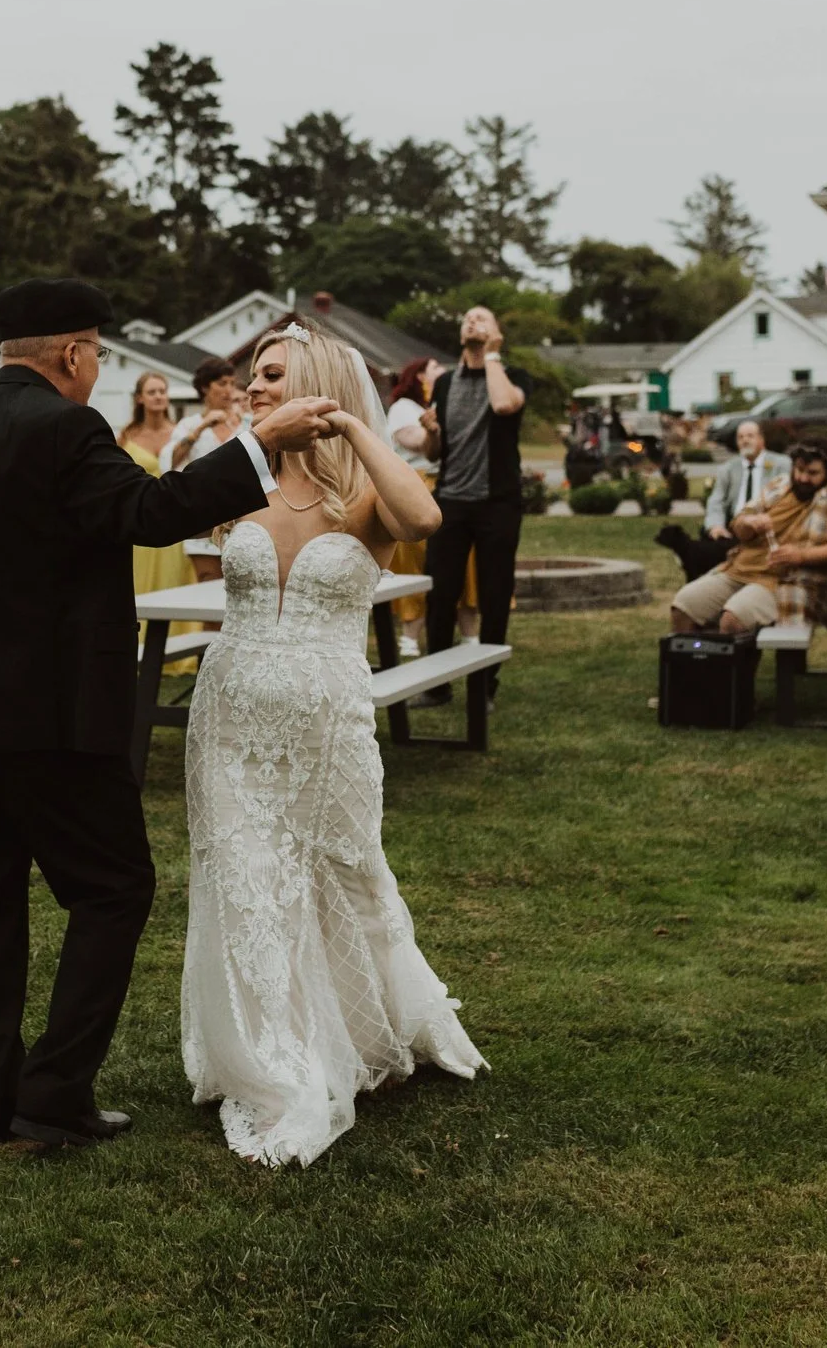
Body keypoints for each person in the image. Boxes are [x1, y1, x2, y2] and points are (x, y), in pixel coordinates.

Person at [0, 278, 340, 1150]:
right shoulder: (68, 428)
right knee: (114, 888)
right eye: (100, 354)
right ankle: (51, 1092)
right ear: (74, 354)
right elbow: (151, 513)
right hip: (49, 720)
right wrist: (257, 443)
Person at [181, 320, 482, 1166]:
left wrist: (352, 426)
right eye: (251, 375)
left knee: (347, 868)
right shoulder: (240, 479)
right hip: (231, 712)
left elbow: (423, 515)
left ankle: (365, 1025)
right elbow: (170, 511)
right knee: (245, 877)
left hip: (328, 723)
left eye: (272, 375)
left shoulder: (364, 493)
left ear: (315, 381)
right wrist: (249, 441)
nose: (254, 388)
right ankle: (269, 1051)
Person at [419, 306, 530, 703]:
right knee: (441, 592)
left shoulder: (513, 377)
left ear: (497, 334)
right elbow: (435, 453)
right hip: (450, 501)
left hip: (497, 503)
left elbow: (503, 406)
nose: (471, 322)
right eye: (467, 318)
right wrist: (431, 433)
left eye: (482, 319)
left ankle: (485, 684)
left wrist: (493, 355)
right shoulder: (446, 383)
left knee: (494, 593)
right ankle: (436, 685)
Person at [669, 439, 827, 633]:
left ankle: (735, 668)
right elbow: (739, 524)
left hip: (787, 581)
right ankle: (691, 666)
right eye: (799, 469)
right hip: (739, 569)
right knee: (684, 605)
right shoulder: (780, 485)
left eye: (812, 473)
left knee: (733, 619)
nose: (802, 478)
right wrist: (748, 523)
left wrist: (802, 555)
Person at [116, 371, 198, 608]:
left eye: (162, 391)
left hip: (175, 516)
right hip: (140, 518)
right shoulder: (125, 437)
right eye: (152, 392)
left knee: (175, 581)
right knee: (139, 583)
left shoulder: (180, 434)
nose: (159, 396)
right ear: (140, 398)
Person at [169, 356, 246, 581]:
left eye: (232, 384)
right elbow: (170, 461)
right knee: (207, 586)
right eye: (222, 384)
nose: (229, 390)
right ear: (205, 387)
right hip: (203, 517)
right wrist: (202, 427)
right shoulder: (189, 425)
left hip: (243, 519)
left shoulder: (246, 424)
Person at [383, 357, 440, 653]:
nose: (443, 371)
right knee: (413, 562)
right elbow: (416, 442)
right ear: (419, 376)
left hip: (440, 486)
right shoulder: (404, 408)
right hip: (413, 485)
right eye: (436, 368)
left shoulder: (432, 408)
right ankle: (409, 635)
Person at [702, 419, 781, 541]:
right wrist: (716, 526)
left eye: (750, 436)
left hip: (768, 527)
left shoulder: (781, 464)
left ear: (761, 439)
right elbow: (717, 500)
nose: (745, 440)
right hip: (734, 529)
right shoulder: (728, 468)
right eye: (740, 437)